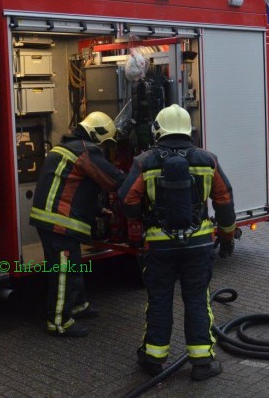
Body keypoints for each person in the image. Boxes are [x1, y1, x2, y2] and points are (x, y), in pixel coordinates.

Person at [119, 104, 236, 381]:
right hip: (199, 245)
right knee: (197, 300)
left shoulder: (144, 161)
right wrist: (227, 236)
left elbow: (127, 200)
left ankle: (153, 359)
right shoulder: (208, 160)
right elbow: (224, 200)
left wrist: (143, 218)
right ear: (188, 130)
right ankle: (202, 363)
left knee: (159, 300)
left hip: (159, 247)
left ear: (158, 130)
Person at [29, 111, 125, 338]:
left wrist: (98, 209)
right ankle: (59, 322)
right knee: (64, 272)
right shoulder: (85, 151)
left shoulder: (66, 147)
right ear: (98, 135)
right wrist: (138, 175)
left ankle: (78, 305)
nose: (104, 148)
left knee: (73, 264)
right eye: (105, 143)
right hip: (59, 222)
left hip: (53, 219)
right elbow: (114, 180)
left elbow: (76, 188)